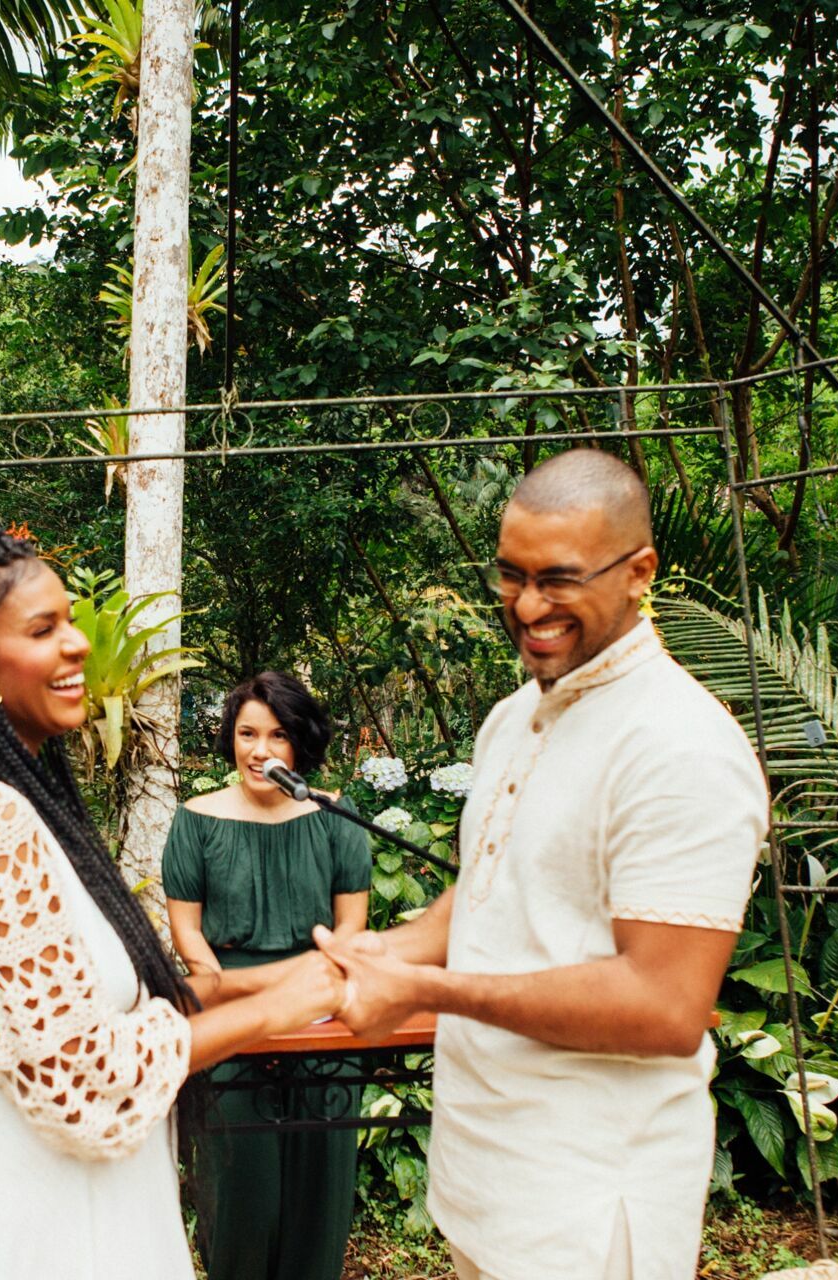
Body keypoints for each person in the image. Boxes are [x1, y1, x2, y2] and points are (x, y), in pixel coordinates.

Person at [313, 449, 769, 1280]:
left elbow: (665, 1004)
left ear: (640, 572)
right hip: (483, 1180)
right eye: (511, 576)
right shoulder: (513, 716)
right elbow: (495, 890)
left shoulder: (680, 746)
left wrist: (426, 991)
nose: (527, 607)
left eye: (557, 580)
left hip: (585, 1209)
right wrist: (389, 951)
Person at [0, 481, 348, 1280]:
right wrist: (285, 1005)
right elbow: (81, 1077)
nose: (76, 646)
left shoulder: (24, 793)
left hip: (104, 1202)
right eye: (44, 629)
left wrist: (304, 974)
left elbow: (132, 1001)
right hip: (44, 1226)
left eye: (70, 621)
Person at [163, 671, 373, 1280]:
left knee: (319, 1182)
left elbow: (351, 925)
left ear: (298, 743)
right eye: (247, 733)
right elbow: (187, 931)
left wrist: (317, 992)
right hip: (229, 1013)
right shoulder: (196, 819)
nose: (260, 750)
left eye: (277, 735)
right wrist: (223, 990)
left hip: (321, 1004)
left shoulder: (335, 817)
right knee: (240, 1183)